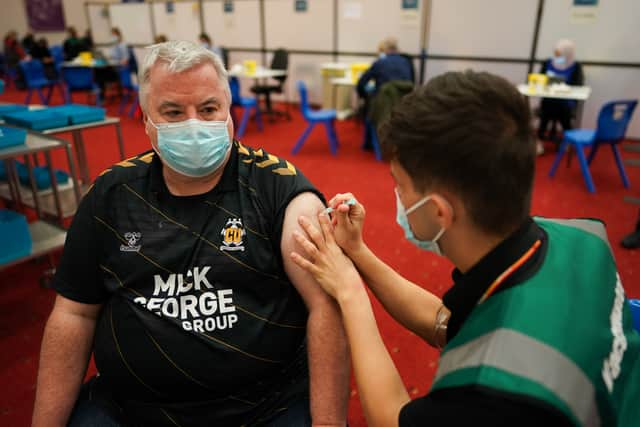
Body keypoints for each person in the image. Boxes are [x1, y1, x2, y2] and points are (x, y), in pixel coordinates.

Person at [290, 70, 640, 427]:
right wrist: (358, 253)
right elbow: (445, 323)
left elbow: (393, 419)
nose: (395, 194)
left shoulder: (490, 391)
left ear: (438, 211)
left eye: (399, 184)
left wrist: (349, 291)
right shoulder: (576, 237)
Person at [32, 41, 349, 427]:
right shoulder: (110, 195)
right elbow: (74, 312)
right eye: (173, 112)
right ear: (147, 121)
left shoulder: (280, 189)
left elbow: (326, 306)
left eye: (209, 109)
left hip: (265, 407)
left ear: (229, 114)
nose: (194, 124)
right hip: (130, 409)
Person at [537, 39, 584, 147]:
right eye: (556, 53)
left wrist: (557, 83)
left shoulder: (576, 66)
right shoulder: (547, 63)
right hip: (549, 99)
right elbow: (540, 80)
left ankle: (569, 140)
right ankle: (539, 139)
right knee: (548, 107)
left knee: (561, 109)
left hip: (566, 101)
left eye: (560, 53)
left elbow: (577, 85)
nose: (557, 55)